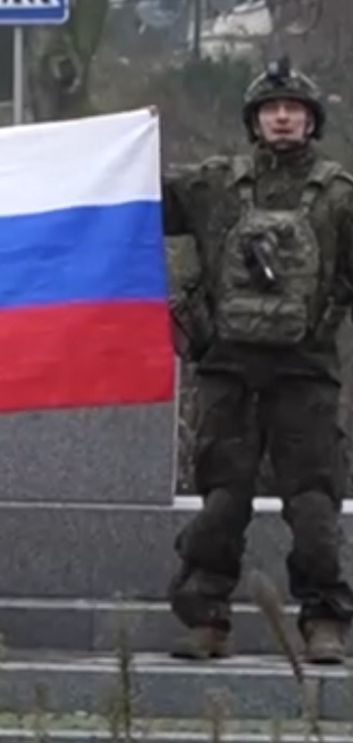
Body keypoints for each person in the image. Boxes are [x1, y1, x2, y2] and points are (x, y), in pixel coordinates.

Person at [164, 55, 353, 664]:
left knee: (315, 503)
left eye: (293, 110)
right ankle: (205, 620)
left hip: (306, 371)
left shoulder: (340, 197)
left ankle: (325, 619)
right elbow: (143, 207)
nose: (281, 118)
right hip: (228, 370)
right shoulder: (213, 185)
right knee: (222, 500)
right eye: (271, 109)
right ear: (253, 120)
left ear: (311, 121)